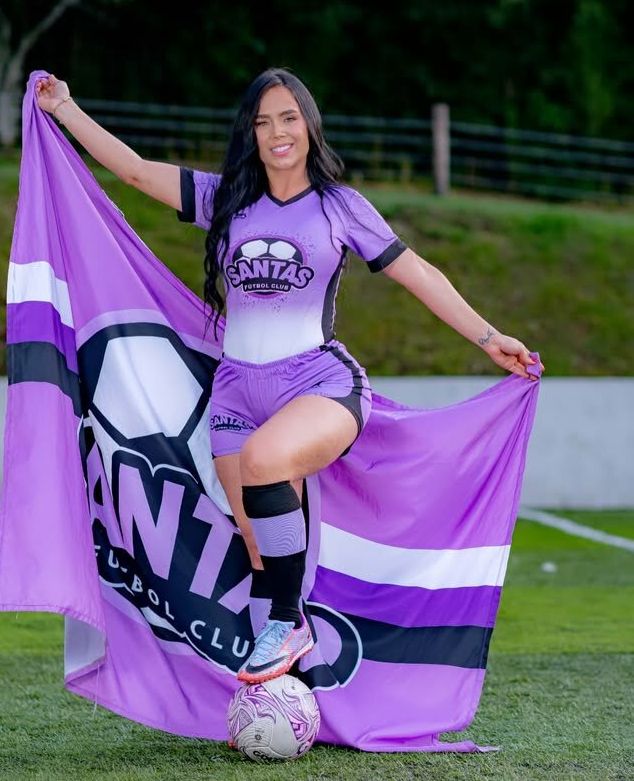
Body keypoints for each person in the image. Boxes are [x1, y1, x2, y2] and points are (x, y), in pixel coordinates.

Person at [36, 68, 544, 685]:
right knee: (261, 551)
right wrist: (65, 109)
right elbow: (138, 171)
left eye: (288, 118)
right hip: (234, 395)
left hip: (318, 383)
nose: (277, 132)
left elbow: (420, 274)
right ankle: (293, 692)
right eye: (263, 122)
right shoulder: (226, 199)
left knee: (265, 463)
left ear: (309, 125)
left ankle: (288, 624)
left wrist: (490, 338)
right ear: (250, 134)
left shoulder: (340, 207)